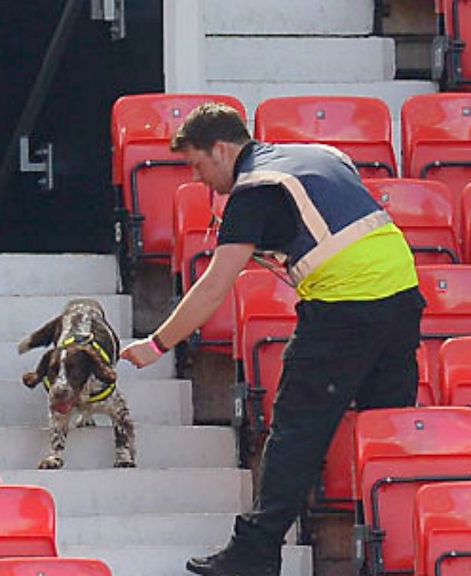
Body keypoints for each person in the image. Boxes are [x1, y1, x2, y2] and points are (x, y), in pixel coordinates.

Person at [120, 103, 426, 576]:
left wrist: (156, 344)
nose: (200, 180)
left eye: (198, 166)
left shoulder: (254, 191)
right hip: (402, 297)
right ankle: (406, 541)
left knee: (295, 431)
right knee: (388, 428)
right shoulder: (320, 154)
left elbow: (214, 285)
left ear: (221, 149)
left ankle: (255, 553)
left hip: (345, 308)